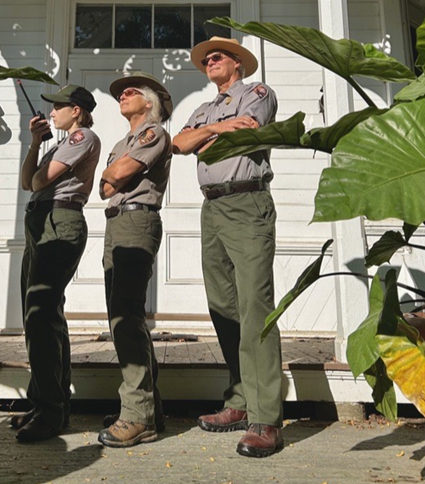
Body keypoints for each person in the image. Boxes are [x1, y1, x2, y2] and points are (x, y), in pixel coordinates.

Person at [172, 37, 283, 458]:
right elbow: (179, 144)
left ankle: (266, 418)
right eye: (205, 59)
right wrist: (217, 128)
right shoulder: (204, 109)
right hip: (212, 207)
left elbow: (246, 134)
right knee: (224, 306)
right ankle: (239, 402)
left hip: (247, 200)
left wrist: (206, 138)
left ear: (237, 63)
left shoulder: (257, 93)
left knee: (256, 307)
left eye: (217, 56)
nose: (209, 61)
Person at [13, 84, 101, 443]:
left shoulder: (82, 137)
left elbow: (38, 180)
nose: (52, 112)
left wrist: (39, 166)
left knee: (41, 313)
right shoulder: (60, 143)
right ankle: (48, 403)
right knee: (42, 315)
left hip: (59, 222)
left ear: (76, 111)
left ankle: (50, 411)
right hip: (41, 222)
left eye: (58, 107)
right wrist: (35, 143)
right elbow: (26, 182)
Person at [97, 72, 173, 448]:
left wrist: (116, 174)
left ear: (151, 102)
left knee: (126, 316)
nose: (123, 94)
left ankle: (137, 416)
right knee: (123, 317)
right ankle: (150, 410)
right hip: (116, 222)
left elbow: (118, 174)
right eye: (121, 93)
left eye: (132, 91)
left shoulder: (153, 133)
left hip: (137, 219)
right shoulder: (122, 141)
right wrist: (114, 175)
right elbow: (103, 186)